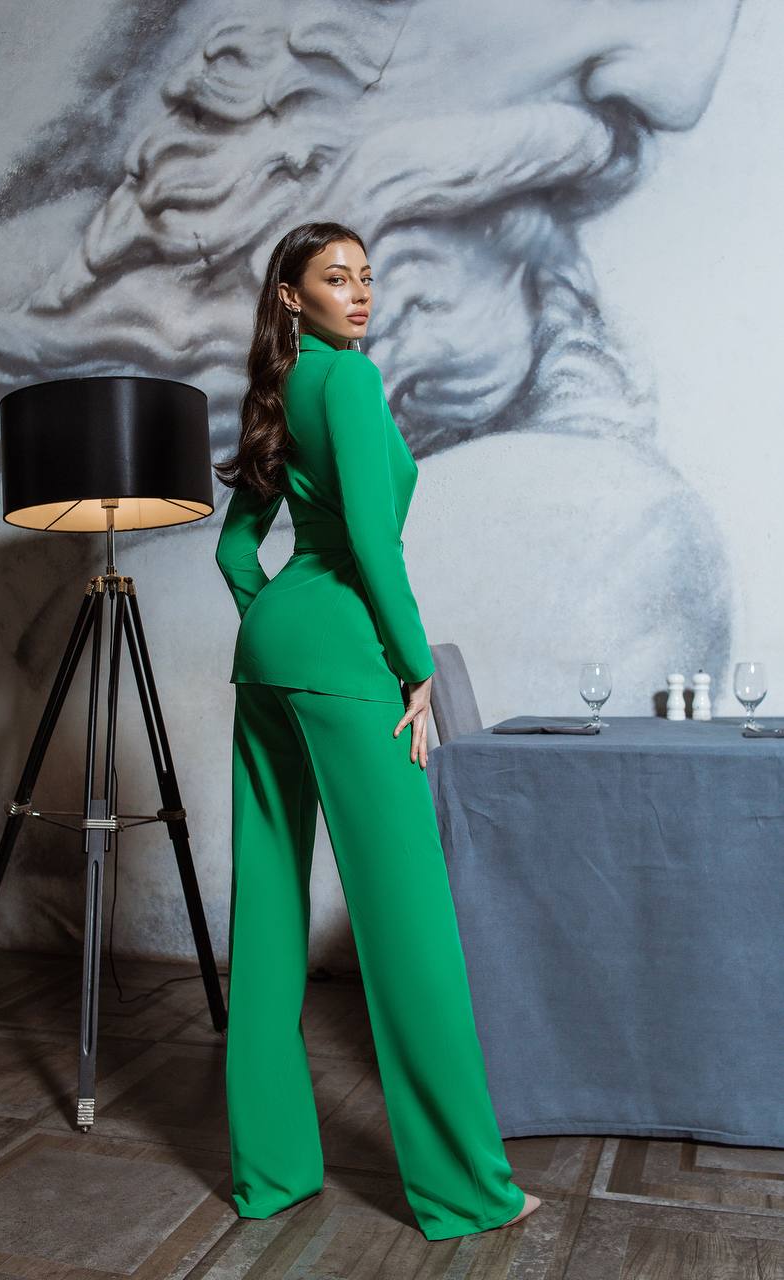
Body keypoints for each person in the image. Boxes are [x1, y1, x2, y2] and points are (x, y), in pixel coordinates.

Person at [213, 220, 541, 1241]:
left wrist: (282, 631)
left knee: (266, 919)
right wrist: (413, 664)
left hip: (269, 656)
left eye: (365, 275)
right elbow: (368, 540)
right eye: (335, 277)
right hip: (350, 663)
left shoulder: (280, 388)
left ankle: (270, 1174)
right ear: (291, 296)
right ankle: (464, 1189)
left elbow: (235, 554)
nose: (359, 292)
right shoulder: (349, 381)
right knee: (409, 930)